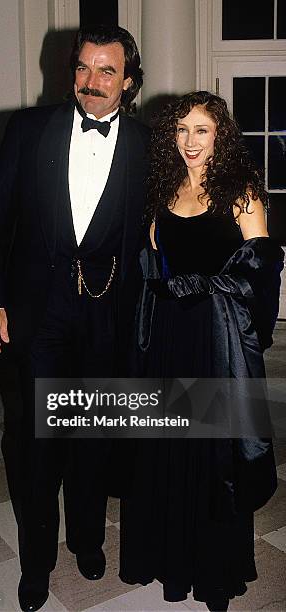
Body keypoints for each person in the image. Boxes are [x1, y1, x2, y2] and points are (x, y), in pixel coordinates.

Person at [0, 25, 149, 612]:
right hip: (37, 314)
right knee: (37, 441)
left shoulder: (149, 144)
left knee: (94, 436)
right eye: (83, 68)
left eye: (107, 72)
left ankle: (89, 540)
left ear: (128, 80)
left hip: (108, 314)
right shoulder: (26, 130)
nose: (92, 83)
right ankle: (35, 562)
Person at [119, 91, 284, 611]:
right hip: (169, 337)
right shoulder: (163, 188)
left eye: (202, 130)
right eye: (181, 130)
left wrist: (206, 288)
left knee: (215, 457)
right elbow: (153, 262)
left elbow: (262, 271)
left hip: (216, 339)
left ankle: (215, 573)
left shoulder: (242, 192)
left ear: (221, 136)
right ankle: (171, 561)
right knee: (170, 448)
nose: (190, 142)